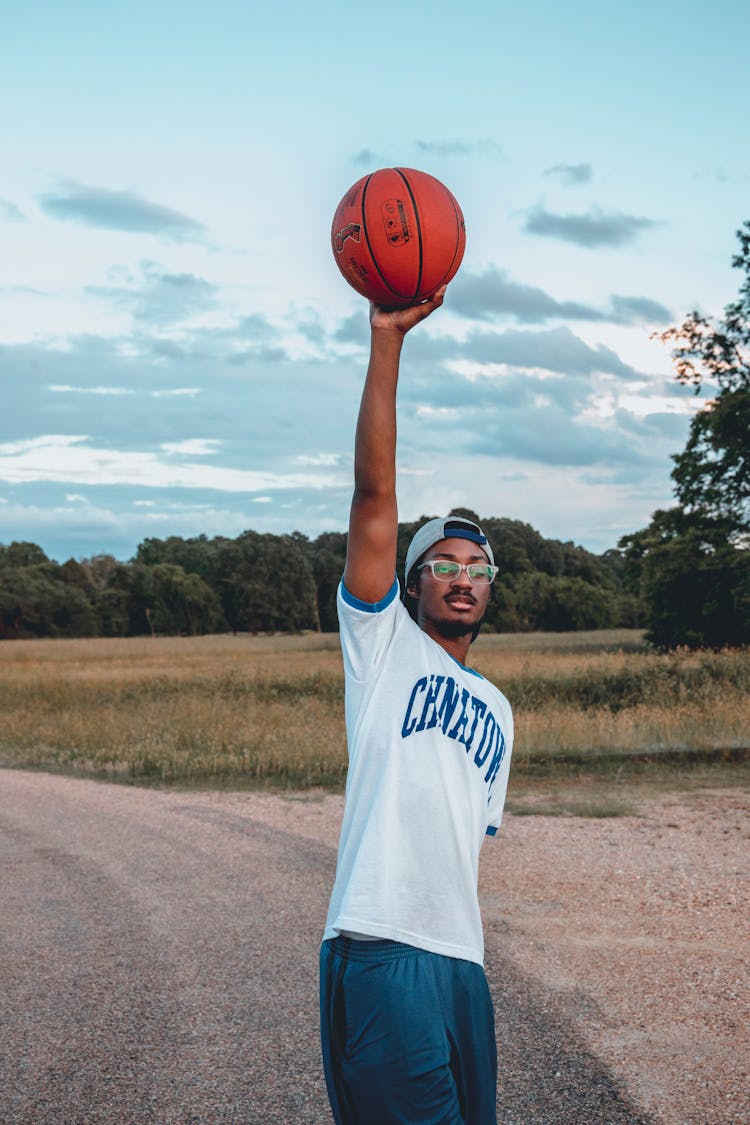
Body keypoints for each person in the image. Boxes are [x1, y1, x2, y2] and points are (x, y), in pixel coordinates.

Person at [319, 286, 513, 1125]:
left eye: (477, 566)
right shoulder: (382, 643)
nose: (462, 576)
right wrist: (387, 341)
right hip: (382, 943)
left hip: (461, 964)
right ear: (413, 578)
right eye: (444, 562)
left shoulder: (499, 711)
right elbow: (373, 500)